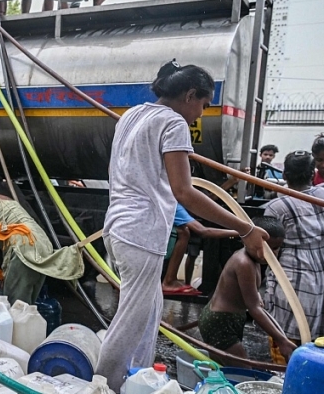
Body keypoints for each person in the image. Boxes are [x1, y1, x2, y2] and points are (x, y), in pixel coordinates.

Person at [96, 60, 268, 392]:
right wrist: (245, 227)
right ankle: (102, 385)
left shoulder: (132, 114)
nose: (201, 114)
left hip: (118, 226)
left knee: (149, 313)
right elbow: (185, 191)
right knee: (132, 320)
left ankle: (141, 380)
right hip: (141, 231)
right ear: (190, 95)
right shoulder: (173, 122)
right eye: (203, 104)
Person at [0, 174, 84, 305]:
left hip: (24, 248)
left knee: (15, 305)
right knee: (26, 307)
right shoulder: (4, 198)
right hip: (42, 244)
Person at [198, 216, 296, 366]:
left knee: (225, 369)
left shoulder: (255, 260)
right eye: (263, 247)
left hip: (230, 318)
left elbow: (245, 290)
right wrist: (281, 340)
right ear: (247, 240)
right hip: (221, 322)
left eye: (275, 248)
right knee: (242, 371)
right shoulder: (244, 263)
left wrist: (255, 294)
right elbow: (254, 309)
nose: (268, 253)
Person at [264, 151, 324, 347]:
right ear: (312, 174)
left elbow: (268, 249)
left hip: (293, 276)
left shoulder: (277, 207)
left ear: (284, 176)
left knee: (288, 334)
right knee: (319, 340)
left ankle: (284, 374)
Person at [162, 204, 238, 295]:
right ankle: (169, 280)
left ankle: (170, 279)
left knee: (184, 233)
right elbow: (203, 231)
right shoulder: (172, 204)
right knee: (184, 233)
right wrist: (242, 232)